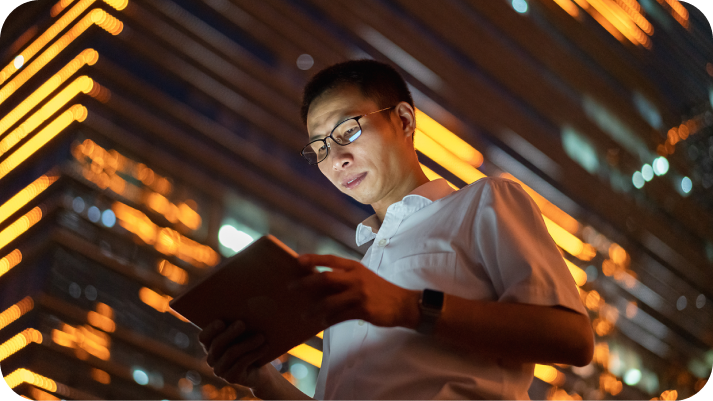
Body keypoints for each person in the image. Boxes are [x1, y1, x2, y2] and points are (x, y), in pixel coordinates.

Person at [198, 59, 594, 400]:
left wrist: (408, 306)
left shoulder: (482, 203)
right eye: (319, 149)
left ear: (403, 120)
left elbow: (574, 337)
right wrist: (264, 382)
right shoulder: (361, 276)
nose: (336, 159)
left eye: (347, 131)